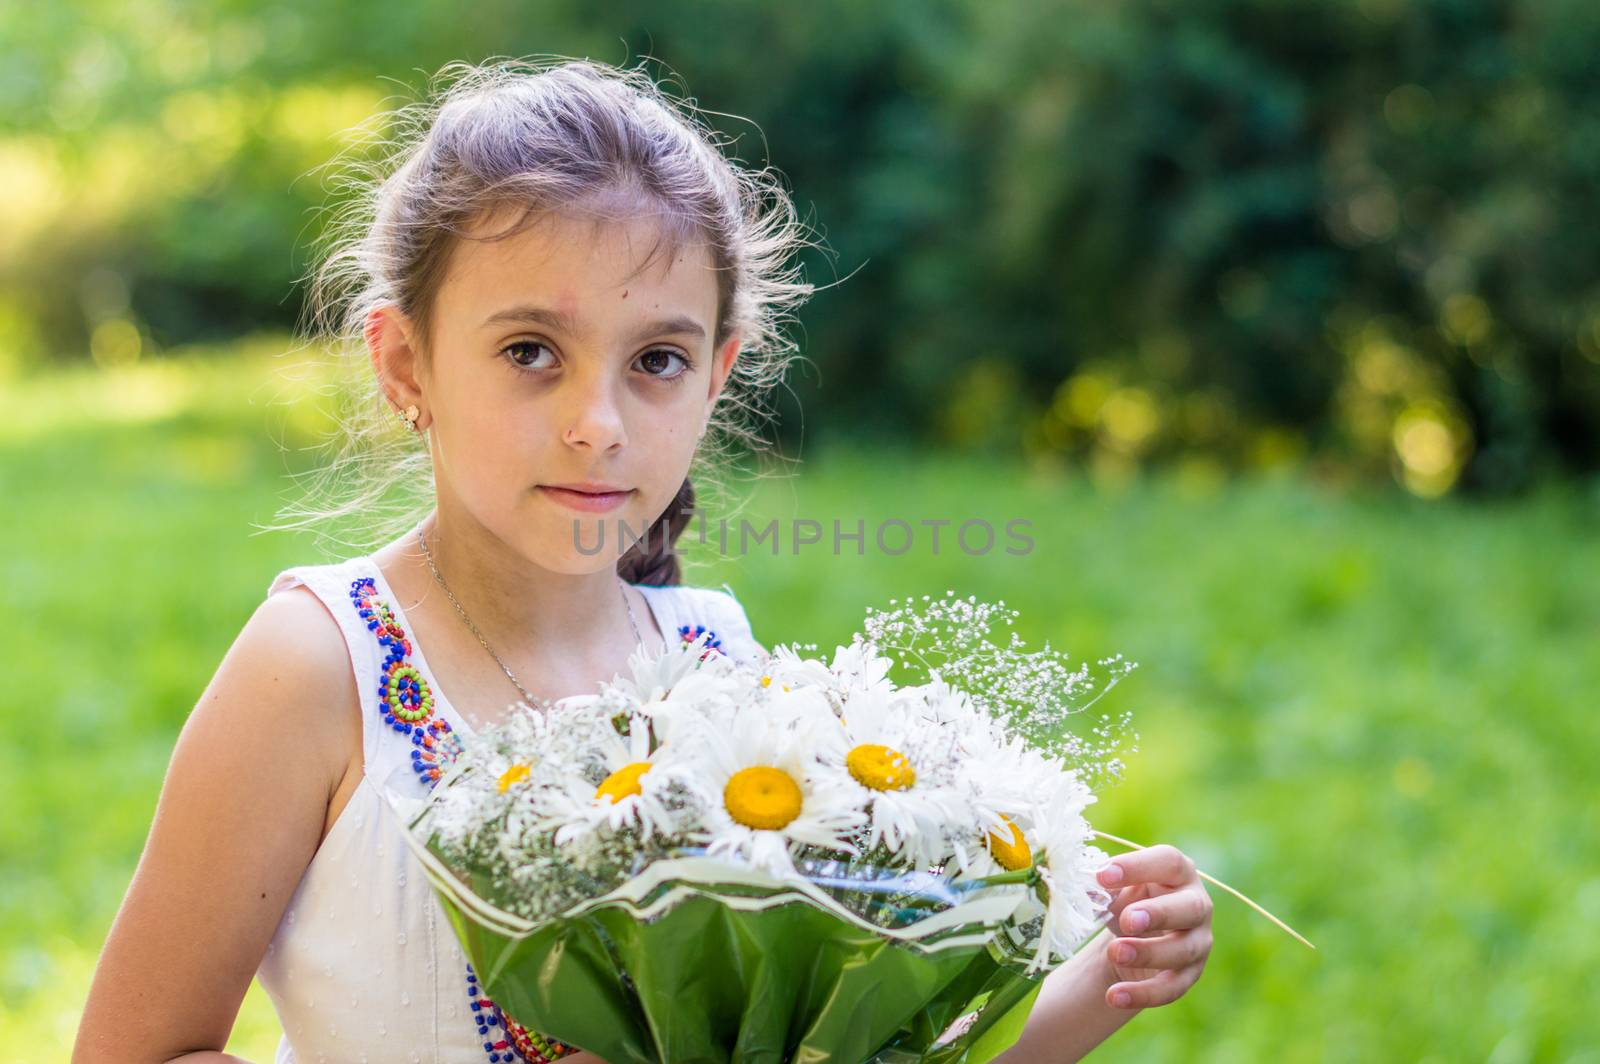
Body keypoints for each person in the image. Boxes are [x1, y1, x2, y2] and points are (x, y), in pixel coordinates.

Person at [73, 57, 1211, 1064]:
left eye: (655, 359)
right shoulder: (321, 668)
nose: (598, 421)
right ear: (405, 364)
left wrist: (1100, 981)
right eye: (531, 351)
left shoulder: (723, 673)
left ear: (717, 375)